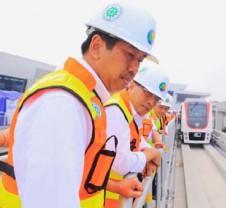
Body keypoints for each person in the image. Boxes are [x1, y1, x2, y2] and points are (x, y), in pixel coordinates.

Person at [0, 1, 158, 207]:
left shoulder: (87, 99)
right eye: (130, 55)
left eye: (140, 60)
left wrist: (117, 187)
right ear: (97, 47)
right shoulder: (62, 103)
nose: (134, 68)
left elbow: (80, 173)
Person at [104, 66, 169, 207]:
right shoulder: (116, 111)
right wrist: (152, 153)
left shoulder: (132, 113)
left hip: (117, 199)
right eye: (148, 93)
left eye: (156, 99)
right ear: (132, 85)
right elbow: (122, 164)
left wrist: (148, 150)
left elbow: (137, 140)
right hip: (103, 199)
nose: (151, 102)